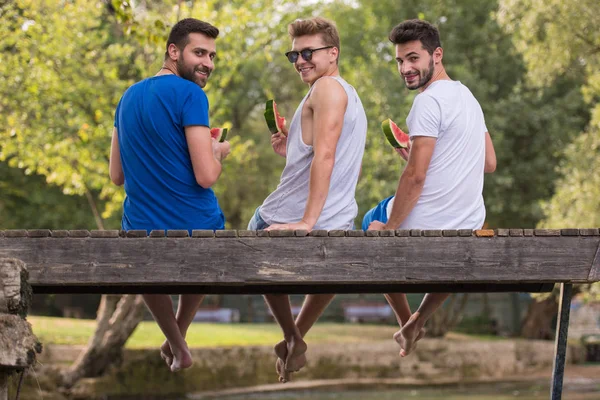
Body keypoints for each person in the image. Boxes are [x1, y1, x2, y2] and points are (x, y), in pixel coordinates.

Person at [364, 19, 497, 357]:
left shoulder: (427, 102)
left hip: (425, 224)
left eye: (413, 58)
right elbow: (488, 162)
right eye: (399, 61)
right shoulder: (468, 98)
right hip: (468, 223)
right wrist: (417, 156)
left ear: (436, 55)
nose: (405, 68)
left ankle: (406, 320)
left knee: (370, 220)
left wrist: (389, 229)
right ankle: (416, 323)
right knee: (455, 259)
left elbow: (416, 177)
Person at [248, 17, 367, 382]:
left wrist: (307, 221)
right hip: (340, 217)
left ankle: (291, 335)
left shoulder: (326, 89)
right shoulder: (341, 91)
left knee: (256, 234)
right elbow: (320, 151)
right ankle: (295, 338)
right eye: (294, 54)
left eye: (308, 52)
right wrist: (291, 148)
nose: (300, 60)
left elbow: (326, 156)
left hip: (294, 215)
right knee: (328, 274)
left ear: (333, 53)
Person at [109, 18, 230, 372]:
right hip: (198, 227)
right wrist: (218, 152)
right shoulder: (192, 94)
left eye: (211, 55)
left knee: (144, 266)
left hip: (141, 229)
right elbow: (206, 175)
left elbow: (116, 176)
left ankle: (177, 343)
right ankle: (180, 337)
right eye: (199, 52)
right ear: (173, 51)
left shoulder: (127, 97)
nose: (207, 62)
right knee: (210, 247)